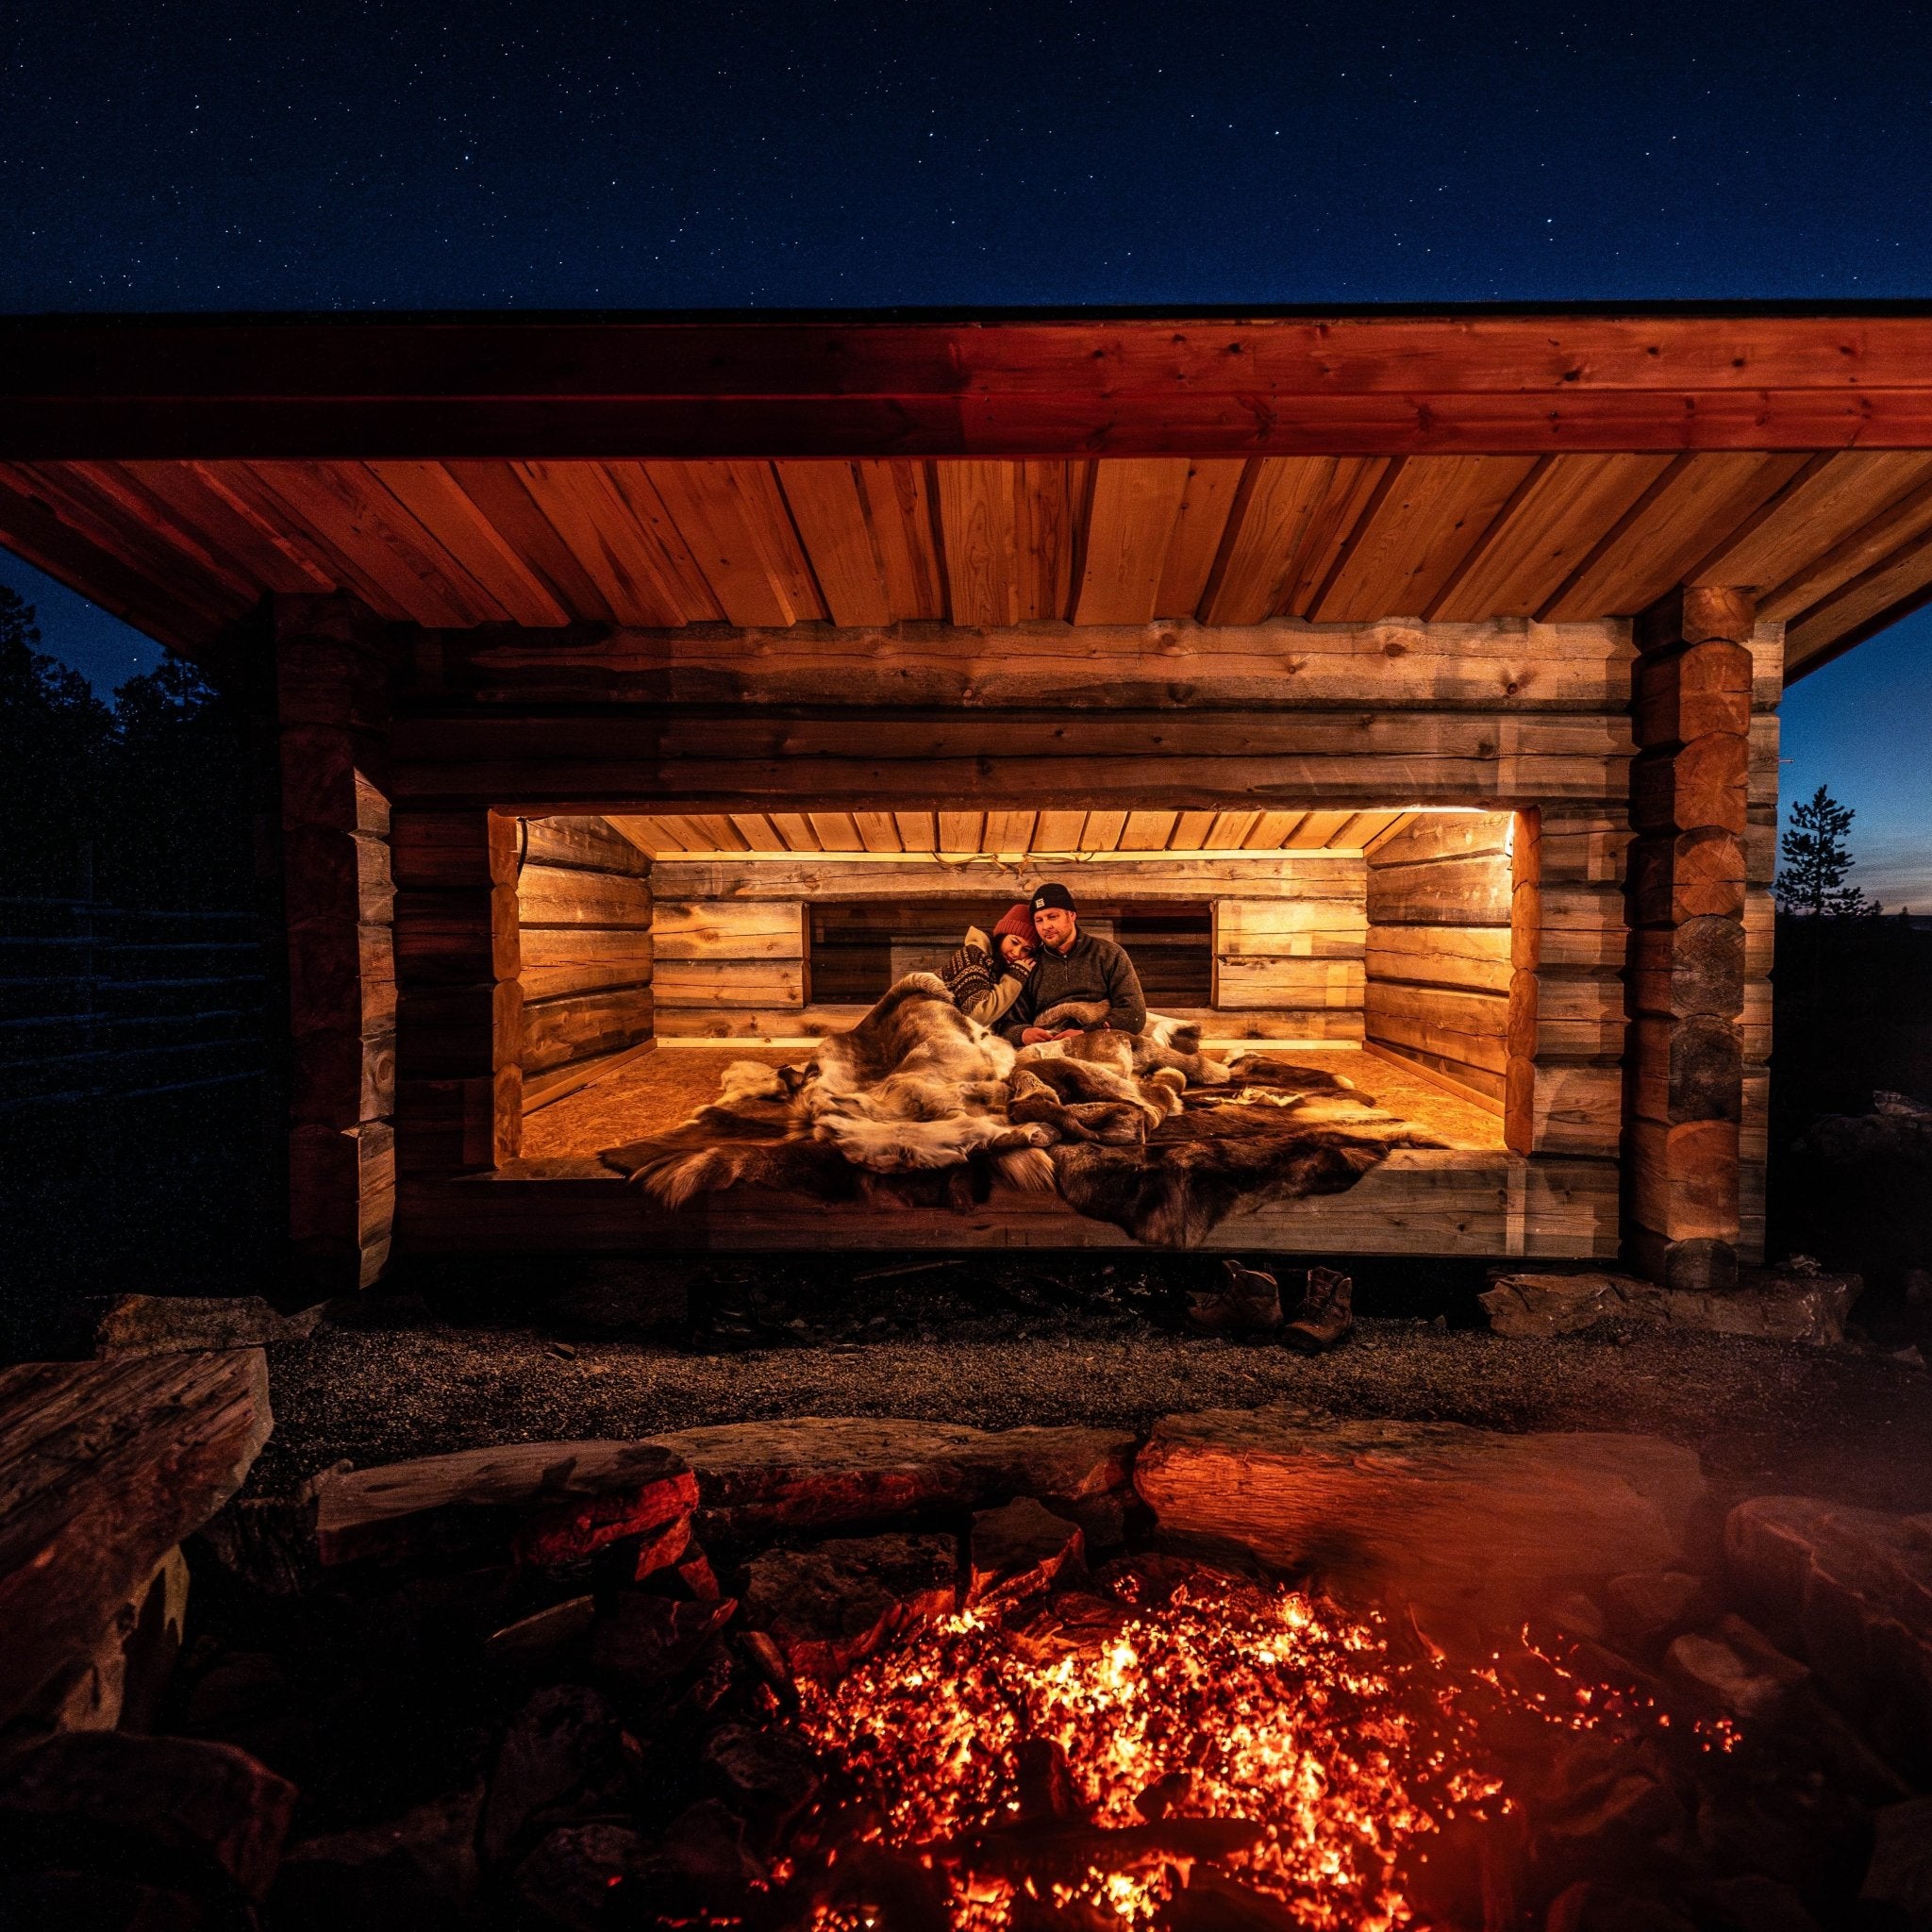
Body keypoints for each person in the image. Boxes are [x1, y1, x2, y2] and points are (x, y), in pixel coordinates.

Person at [997, 882, 1147, 1045]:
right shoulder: (1029, 966)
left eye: (1052, 917)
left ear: (1072, 915)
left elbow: (1134, 1013)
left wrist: (1086, 1033)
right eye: (1039, 920)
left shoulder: (1109, 954)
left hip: (1099, 1041)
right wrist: (1023, 1034)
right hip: (1049, 1046)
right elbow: (1008, 1024)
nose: (1046, 926)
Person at [940, 902, 1038, 1028]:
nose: (1016, 953)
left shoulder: (1002, 966)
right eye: (1014, 942)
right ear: (1002, 935)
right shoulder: (973, 954)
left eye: (1026, 949)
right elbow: (979, 1014)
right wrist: (1015, 977)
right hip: (926, 1016)